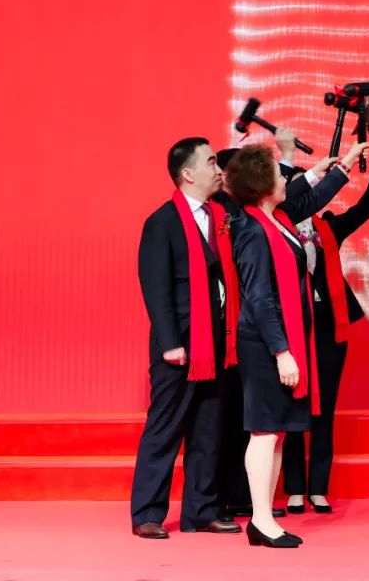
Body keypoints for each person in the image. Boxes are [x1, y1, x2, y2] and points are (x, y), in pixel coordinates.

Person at [229, 142, 369, 548]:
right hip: (264, 346)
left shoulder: (277, 218)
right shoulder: (253, 230)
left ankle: (262, 519)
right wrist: (282, 352)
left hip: (280, 341)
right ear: (262, 184)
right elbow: (259, 300)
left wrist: (343, 167)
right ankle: (260, 520)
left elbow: (313, 197)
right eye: (279, 173)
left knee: (273, 433)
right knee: (264, 433)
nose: (285, 179)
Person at [130, 138, 242, 539]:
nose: (218, 169)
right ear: (188, 173)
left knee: (208, 429)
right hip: (179, 346)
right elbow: (155, 287)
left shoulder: (221, 215)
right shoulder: (161, 222)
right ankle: (147, 513)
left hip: (216, 343)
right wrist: (169, 343)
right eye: (211, 162)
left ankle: (202, 510)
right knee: (165, 428)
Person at [282, 142, 369, 514]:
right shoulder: (275, 228)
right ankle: (294, 488)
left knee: (324, 407)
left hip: (328, 325)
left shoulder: (327, 227)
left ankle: (318, 488)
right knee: (293, 406)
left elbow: (364, 209)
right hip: (292, 327)